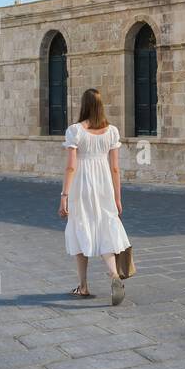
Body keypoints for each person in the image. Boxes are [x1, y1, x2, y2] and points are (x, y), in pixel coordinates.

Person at [59, 88, 129, 306]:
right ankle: (114, 276)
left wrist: (64, 195)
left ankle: (83, 286)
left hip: (81, 185)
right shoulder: (112, 132)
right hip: (104, 185)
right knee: (104, 228)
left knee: (81, 228)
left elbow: (71, 167)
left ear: (84, 105)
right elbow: (115, 168)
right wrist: (118, 198)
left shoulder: (75, 131)